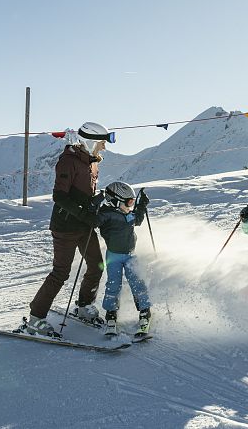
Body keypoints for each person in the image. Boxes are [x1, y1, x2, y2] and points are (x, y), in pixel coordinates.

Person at [24, 122, 115, 336]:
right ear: (90, 141)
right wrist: (84, 212)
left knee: (97, 265)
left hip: (85, 225)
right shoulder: (68, 161)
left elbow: (84, 193)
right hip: (66, 226)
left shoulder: (92, 162)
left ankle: (84, 306)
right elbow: (60, 196)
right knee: (60, 273)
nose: (103, 147)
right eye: (102, 142)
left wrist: (98, 202)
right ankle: (35, 318)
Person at [96, 182, 152, 337]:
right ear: (115, 201)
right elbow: (93, 222)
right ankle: (111, 314)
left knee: (137, 282)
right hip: (113, 256)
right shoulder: (106, 214)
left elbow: (138, 220)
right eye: (129, 202)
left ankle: (144, 312)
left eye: (132, 202)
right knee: (113, 284)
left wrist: (141, 205)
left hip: (130, 254)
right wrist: (93, 207)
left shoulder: (128, 213)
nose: (130, 205)